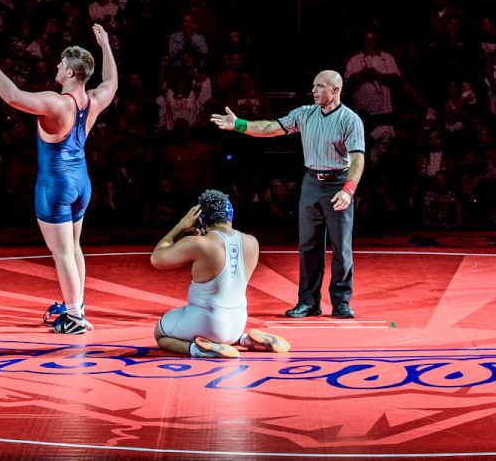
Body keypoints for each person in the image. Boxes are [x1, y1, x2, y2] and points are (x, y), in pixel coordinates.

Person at [0, 24, 118, 334]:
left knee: (62, 252)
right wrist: (105, 46)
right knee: (74, 247)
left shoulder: (56, 102)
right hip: (81, 182)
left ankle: (75, 316)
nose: (57, 67)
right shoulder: (93, 100)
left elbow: (12, 97)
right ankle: (77, 304)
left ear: (72, 74)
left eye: (62, 65)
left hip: (55, 185)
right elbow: (112, 82)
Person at [210, 70, 366, 319]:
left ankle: (341, 302)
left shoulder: (350, 120)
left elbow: (358, 158)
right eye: (313, 86)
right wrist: (238, 125)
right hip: (312, 182)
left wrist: (348, 190)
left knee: (341, 246)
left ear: (335, 90)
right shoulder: (305, 114)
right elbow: (271, 128)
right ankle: (308, 302)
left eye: (320, 86)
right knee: (308, 245)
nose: (313, 91)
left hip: (338, 181)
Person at [150, 189, 291, 358]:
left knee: (161, 333)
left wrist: (181, 226)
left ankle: (199, 349)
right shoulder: (252, 242)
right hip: (237, 323)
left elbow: (157, 259)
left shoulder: (198, 244)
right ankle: (245, 339)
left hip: (206, 323)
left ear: (200, 218)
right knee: (226, 324)